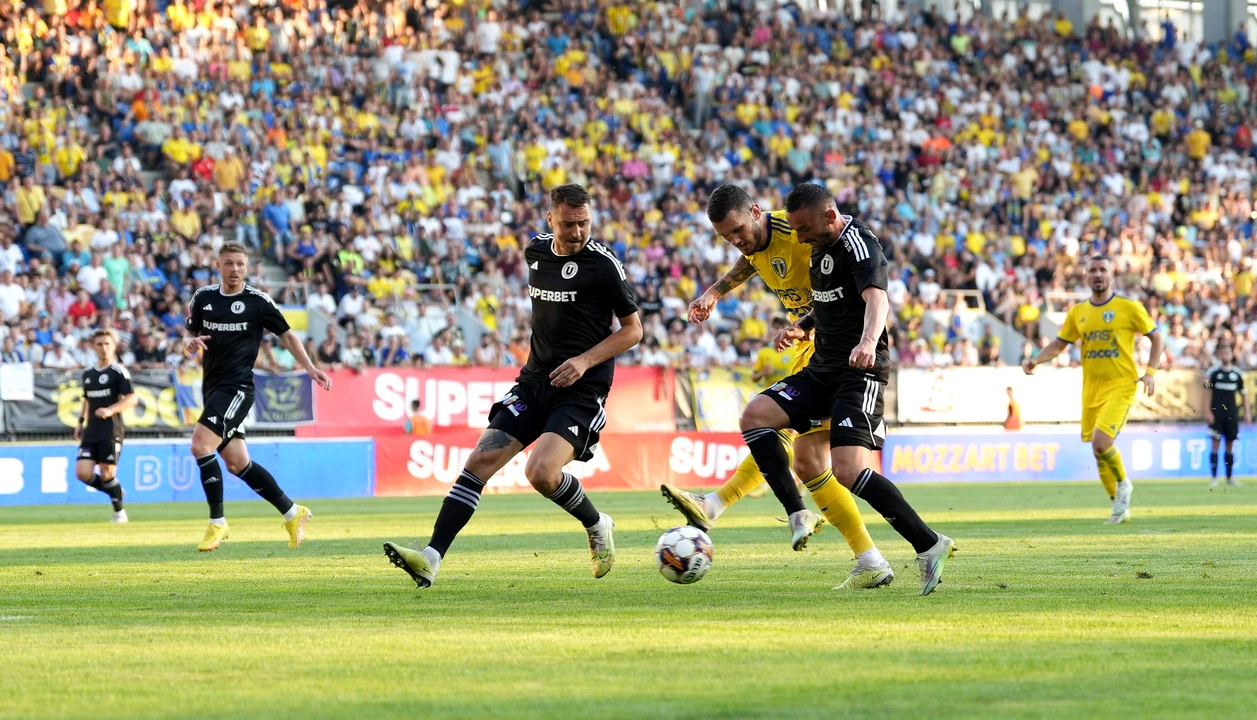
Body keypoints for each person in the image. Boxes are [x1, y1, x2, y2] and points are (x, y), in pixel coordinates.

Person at [383, 184, 642, 588]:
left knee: (539, 472)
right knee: (478, 464)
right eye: (569, 224)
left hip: (581, 388)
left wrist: (583, 360)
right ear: (550, 218)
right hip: (534, 381)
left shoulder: (603, 265)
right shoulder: (535, 251)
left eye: (585, 223)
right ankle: (431, 558)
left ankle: (596, 523)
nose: (578, 232)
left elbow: (633, 330)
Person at [660, 183, 895, 591]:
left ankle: (716, 505)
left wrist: (824, 325)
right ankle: (870, 559)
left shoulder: (798, 228)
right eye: (726, 238)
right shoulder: (756, 242)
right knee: (805, 460)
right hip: (811, 340)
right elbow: (753, 260)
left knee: (776, 427)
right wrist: (714, 292)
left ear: (755, 211)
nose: (736, 242)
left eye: (738, 231)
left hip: (833, 343)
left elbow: (843, 271)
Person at [742, 182, 956, 596]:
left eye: (804, 229)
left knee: (848, 470)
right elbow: (826, 303)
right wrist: (801, 327)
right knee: (756, 416)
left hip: (860, 372)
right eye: (796, 230)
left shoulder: (860, 246)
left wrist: (866, 342)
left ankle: (929, 544)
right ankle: (797, 513)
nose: (799, 237)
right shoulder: (820, 245)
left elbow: (877, 301)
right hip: (822, 368)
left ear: (828, 215)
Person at [183, 242, 333, 552]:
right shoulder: (204, 298)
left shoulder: (257, 301)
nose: (234, 269)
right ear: (218, 266)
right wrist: (191, 341)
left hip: (237, 388)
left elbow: (287, 335)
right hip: (211, 387)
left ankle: (217, 523)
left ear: (247, 267)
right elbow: (190, 331)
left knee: (200, 445)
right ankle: (293, 513)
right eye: (228, 263)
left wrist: (309, 367)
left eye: (239, 264)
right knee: (238, 464)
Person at [1023, 255, 1164, 524]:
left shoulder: (1128, 307)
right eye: (1092, 270)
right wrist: (1035, 360)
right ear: (1086, 277)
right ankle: (1119, 508)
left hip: (1122, 385)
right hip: (1091, 389)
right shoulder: (1078, 312)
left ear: (1111, 275)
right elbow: (1059, 344)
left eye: (1103, 270)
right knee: (1097, 450)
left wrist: (1151, 373)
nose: (1098, 275)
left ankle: (1124, 484)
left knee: (1102, 443)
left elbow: (1156, 337)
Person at [73, 329, 137, 523]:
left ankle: (119, 512)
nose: (103, 348)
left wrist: (110, 410)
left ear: (114, 346)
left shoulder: (118, 372)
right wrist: (80, 422)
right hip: (91, 431)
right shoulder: (88, 373)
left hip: (111, 431)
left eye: (107, 344)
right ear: (93, 347)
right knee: (82, 472)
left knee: (107, 474)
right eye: (99, 344)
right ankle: (116, 490)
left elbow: (132, 398)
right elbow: (87, 400)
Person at [1204, 343, 1251, 490]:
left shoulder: (1237, 374)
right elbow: (1206, 393)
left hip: (1231, 415)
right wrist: (1207, 411)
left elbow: (1244, 395)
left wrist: (1247, 412)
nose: (1225, 355)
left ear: (1232, 354)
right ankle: (1214, 478)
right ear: (1219, 355)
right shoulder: (1213, 372)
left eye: (1227, 352)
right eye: (1222, 352)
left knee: (1230, 445)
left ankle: (1230, 478)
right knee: (1215, 444)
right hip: (1216, 414)